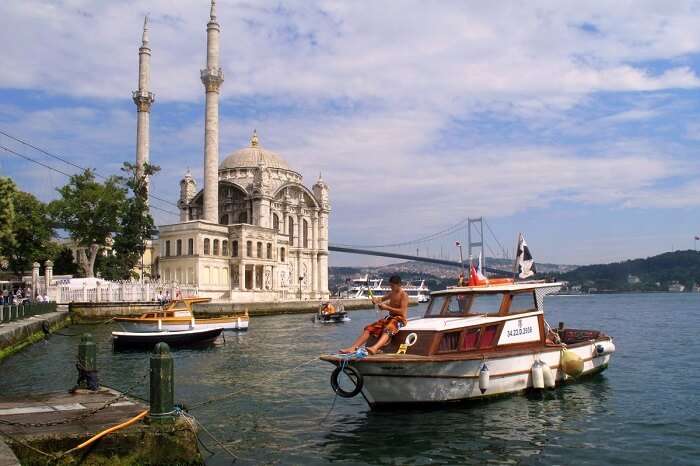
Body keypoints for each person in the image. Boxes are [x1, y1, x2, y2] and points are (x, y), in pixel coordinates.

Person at [341, 275, 408, 355]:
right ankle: (353, 348)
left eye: (393, 286)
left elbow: (402, 311)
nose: (391, 288)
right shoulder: (392, 293)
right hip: (389, 318)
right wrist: (376, 300)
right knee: (369, 328)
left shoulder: (404, 295)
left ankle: (374, 348)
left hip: (399, 319)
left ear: (399, 284)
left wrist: (386, 308)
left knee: (388, 328)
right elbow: (381, 299)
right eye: (390, 285)